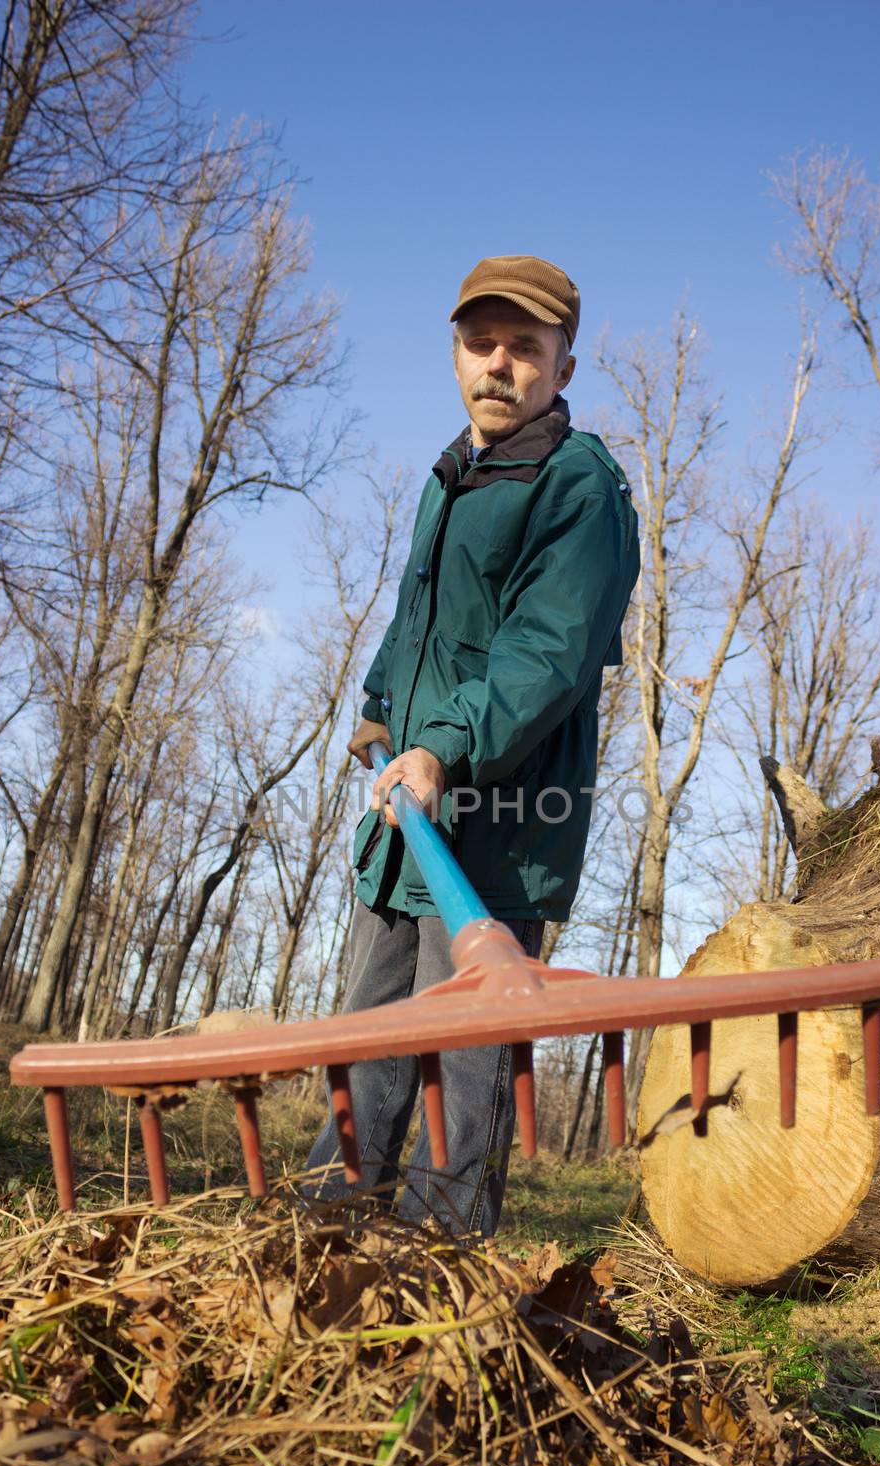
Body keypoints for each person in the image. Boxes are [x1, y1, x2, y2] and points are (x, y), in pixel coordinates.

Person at [304, 254, 640, 1235]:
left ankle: (439, 1274)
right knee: (369, 1041)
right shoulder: (453, 475)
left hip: (494, 829)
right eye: (479, 342)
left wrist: (443, 747)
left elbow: (545, 654)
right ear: (456, 352)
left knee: (462, 1067)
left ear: (560, 368)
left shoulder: (580, 488)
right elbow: (419, 622)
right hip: (406, 818)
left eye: (523, 348)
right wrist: (377, 702)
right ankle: (320, 1248)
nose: (498, 364)